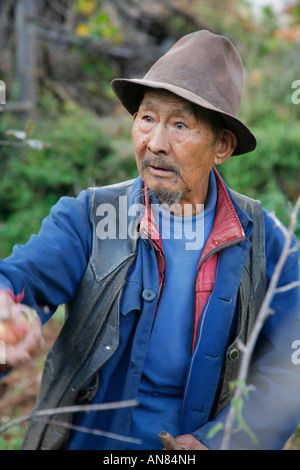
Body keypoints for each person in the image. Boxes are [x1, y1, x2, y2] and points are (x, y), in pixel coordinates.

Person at [0, 30, 299, 451]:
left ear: (223, 145)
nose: (155, 144)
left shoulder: (265, 242)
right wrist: (7, 310)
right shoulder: (92, 217)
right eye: (146, 118)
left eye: (180, 124)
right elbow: (22, 276)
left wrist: (221, 441)